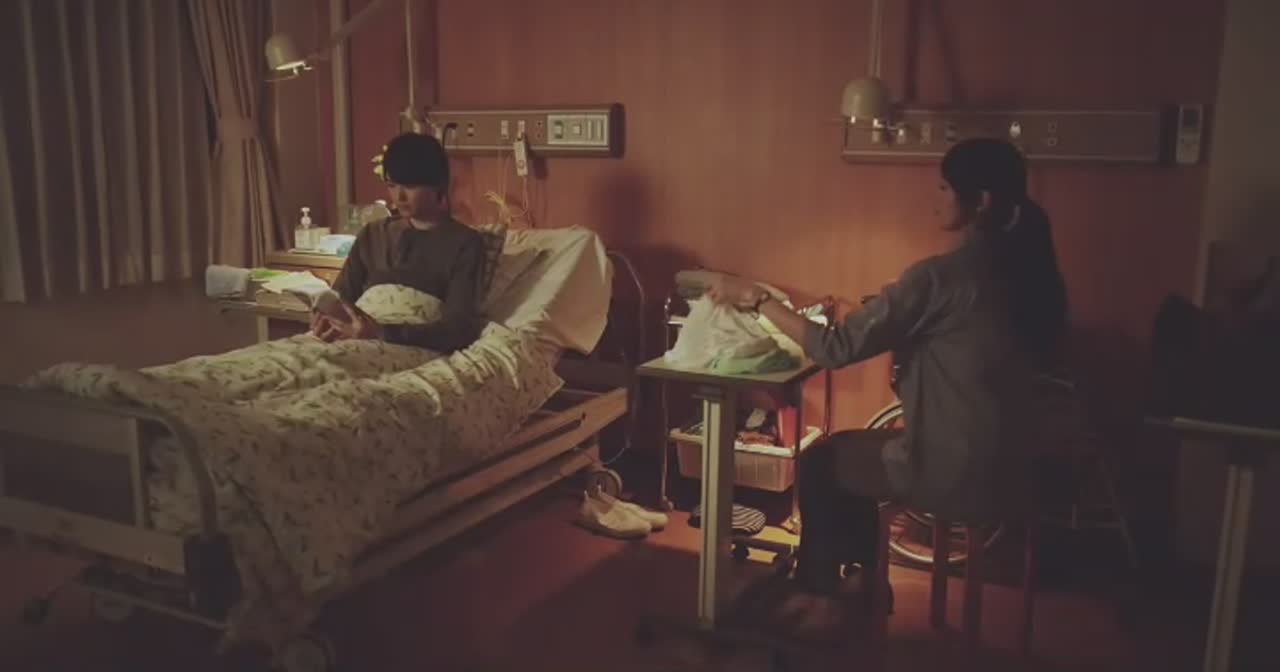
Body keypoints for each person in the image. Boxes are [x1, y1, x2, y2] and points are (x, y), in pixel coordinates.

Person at [706, 138, 1068, 599]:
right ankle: (863, 582)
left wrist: (755, 298)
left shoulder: (939, 278)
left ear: (980, 202)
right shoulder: (1034, 275)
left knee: (822, 461)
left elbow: (834, 347)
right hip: (1019, 468)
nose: (936, 198)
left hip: (954, 473)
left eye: (944, 188)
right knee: (855, 452)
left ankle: (824, 592)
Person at [313, 132, 487, 353]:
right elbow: (342, 297)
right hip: (351, 337)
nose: (399, 197)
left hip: (404, 345)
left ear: (438, 185)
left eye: (410, 187)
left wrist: (380, 333)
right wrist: (325, 318)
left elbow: (458, 329)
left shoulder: (464, 244)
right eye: (392, 185)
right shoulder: (373, 234)